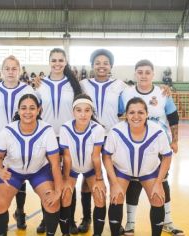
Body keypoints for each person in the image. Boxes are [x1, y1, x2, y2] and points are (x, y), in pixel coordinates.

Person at [120, 59, 184, 236]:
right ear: (135, 74)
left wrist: (175, 140)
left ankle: (167, 221)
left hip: (158, 145)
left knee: (162, 181)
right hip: (133, 144)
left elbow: (173, 117)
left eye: (147, 72)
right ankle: (130, 223)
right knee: (133, 181)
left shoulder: (163, 93)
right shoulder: (126, 93)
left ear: (153, 74)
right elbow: (120, 115)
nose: (143, 75)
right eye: (140, 72)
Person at [0, 94, 63, 236]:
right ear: (18, 111)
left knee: (52, 203)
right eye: (23, 108)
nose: (28, 112)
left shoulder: (47, 130)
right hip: (13, 172)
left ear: (39, 110)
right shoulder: (8, 131)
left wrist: (58, 191)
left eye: (32, 108)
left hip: (39, 171)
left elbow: (55, 164)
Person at [103, 97, 173, 236]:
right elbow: (106, 157)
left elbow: (167, 156)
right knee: (116, 197)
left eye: (140, 112)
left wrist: (159, 182)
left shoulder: (158, 132)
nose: (136, 116)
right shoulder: (116, 131)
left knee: (158, 198)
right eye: (131, 112)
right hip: (122, 171)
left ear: (147, 114)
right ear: (126, 115)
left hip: (149, 172)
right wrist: (114, 183)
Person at [0, 55, 35, 230]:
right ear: (2, 71)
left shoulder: (28, 90)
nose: (11, 72)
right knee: (1, 178)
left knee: (21, 179)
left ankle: (20, 212)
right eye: (7, 68)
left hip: (21, 141)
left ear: (19, 71)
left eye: (14, 68)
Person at [79, 48, 127, 233]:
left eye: (105, 63)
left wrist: (163, 89)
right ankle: (86, 219)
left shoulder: (121, 85)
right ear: (92, 66)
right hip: (89, 137)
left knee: (114, 178)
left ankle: (116, 222)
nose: (101, 66)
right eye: (97, 63)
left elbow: (139, 97)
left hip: (112, 138)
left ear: (111, 66)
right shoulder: (83, 84)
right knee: (87, 179)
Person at [34, 47, 82, 234]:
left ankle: (69, 220)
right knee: (47, 180)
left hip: (68, 137)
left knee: (68, 179)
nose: (57, 64)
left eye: (60, 60)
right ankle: (47, 218)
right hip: (46, 137)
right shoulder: (40, 84)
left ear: (65, 62)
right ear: (49, 62)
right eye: (53, 60)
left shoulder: (74, 85)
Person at [59, 94, 106, 236]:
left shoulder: (98, 129)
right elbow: (66, 157)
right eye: (79, 110)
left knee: (100, 195)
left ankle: (96, 233)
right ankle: (66, 232)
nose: (83, 114)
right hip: (71, 169)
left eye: (87, 110)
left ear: (92, 112)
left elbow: (96, 156)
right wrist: (66, 179)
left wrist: (99, 179)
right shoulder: (65, 128)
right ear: (73, 112)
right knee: (66, 195)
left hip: (91, 169)